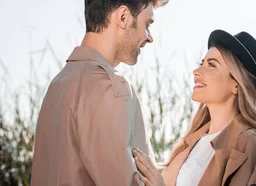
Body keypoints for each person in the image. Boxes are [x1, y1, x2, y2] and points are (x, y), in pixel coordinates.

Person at [31, 0, 168, 185]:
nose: (149, 37)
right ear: (123, 17)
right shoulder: (110, 86)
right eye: (147, 24)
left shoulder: (57, 86)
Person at [131, 29, 256, 186]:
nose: (196, 72)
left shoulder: (251, 143)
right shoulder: (193, 140)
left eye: (211, 65)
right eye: (201, 63)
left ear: (237, 84)